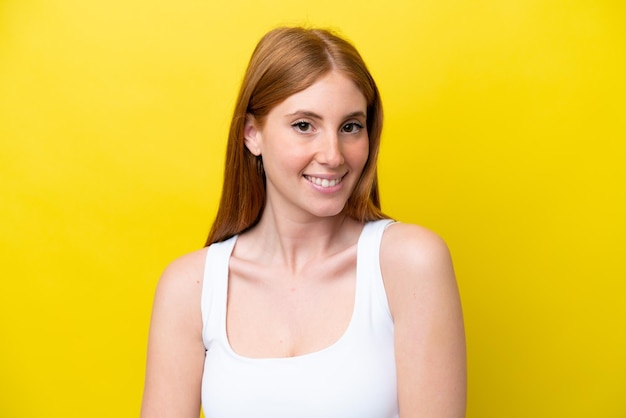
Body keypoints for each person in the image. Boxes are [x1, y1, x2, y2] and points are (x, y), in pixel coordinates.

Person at [141, 26, 466, 418]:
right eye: (303, 125)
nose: (333, 155)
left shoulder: (410, 264)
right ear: (252, 135)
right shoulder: (190, 288)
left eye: (350, 127)